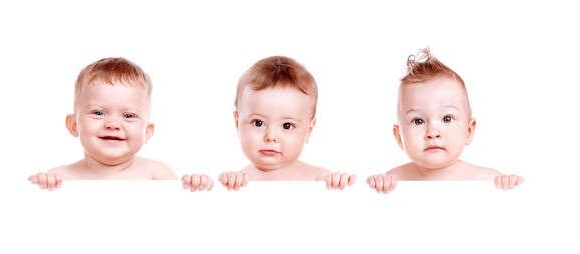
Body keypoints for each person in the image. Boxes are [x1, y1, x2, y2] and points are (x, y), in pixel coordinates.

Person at [28, 57, 212, 191]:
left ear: (147, 132)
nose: (113, 124)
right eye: (98, 113)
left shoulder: (155, 173)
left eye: (128, 116)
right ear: (74, 125)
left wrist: (195, 188)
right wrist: (40, 187)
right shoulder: (60, 177)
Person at [367, 49, 524, 194]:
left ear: (469, 131)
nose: (432, 133)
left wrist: (510, 186)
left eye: (447, 119)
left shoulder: (487, 179)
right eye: (418, 121)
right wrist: (375, 186)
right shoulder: (394, 180)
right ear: (399, 136)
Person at [219, 56, 356, 190]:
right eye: (258, 123)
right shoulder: (236, 183)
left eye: (287, 125)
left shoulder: (320, 179)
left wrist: (342, 183)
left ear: (309, 130)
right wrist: (204, 184)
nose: (270, 136)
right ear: (237, 123)